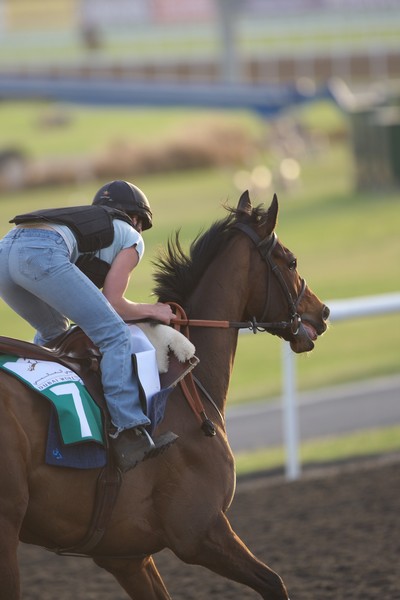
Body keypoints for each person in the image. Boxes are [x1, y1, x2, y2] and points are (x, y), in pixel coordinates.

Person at [0, 180, 178, 472]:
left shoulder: (91, 227)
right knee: (116, 336)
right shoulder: (132, 236)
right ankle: (129, 431)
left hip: (4, 251)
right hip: (40, 252)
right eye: (141, 225)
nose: (139, 230)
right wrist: (154, 310)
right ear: (136, 219)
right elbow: (115, 304)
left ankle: (37, 399)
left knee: (55, 332)